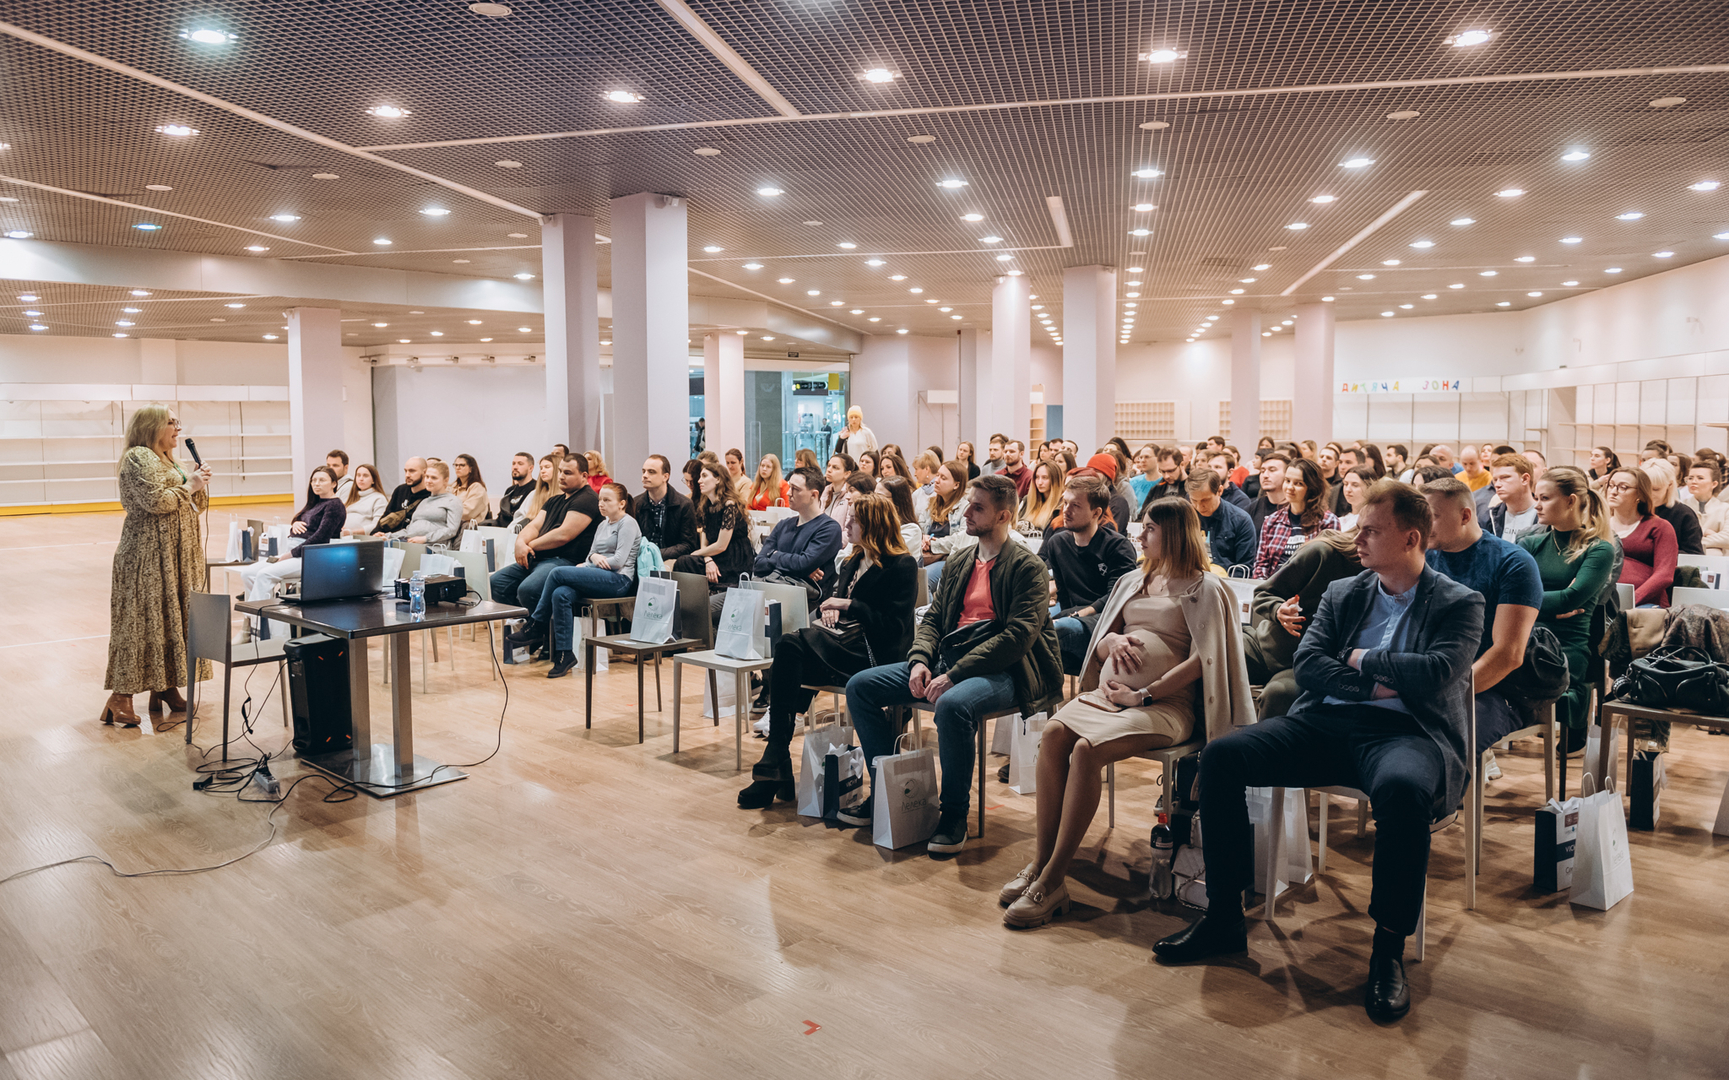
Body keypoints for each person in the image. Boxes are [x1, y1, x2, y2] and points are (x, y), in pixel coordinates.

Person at [1156, 480, 1484, 1024]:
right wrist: (1375, 682)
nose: (1357, 538)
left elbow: (1436, 675)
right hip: (1328, 722)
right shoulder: (1345, 592)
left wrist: (1355, 657)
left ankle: (1387, 948)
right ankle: (1224, 918)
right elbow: (1308, 664)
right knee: (1222, 756)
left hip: (1408, 734)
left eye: (1371, 530)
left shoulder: (1459, 602)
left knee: (1403, 791)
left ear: (1410, 538)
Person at [1001, 497, 1255, 928]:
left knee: (1086, 750)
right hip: (1111, 697)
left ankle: (1054, 880)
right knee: (1054, 735)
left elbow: (1203, 660)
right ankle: (1042, 860)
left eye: (1151, 528)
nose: (1141, 535)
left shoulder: (1206, 587)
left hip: (1165, 707)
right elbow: (1103, 639)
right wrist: (1111, 645)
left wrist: (1145, 695)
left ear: (1174, 533)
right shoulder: (1135, 580)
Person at [844, 475, 1063, 854]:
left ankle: (954, 814)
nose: (966, 511)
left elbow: (1016, 639)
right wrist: (918, 661)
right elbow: (932, 619)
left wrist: (953, 675)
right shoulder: (962, 558)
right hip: (950, 659)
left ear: (1003, 515)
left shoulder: (1026, 566)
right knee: (861, 686)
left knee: (953, 704)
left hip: (1005, 669)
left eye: (977, 507)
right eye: (968, 504)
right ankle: (887, 791)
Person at [739, 495, 917, 808]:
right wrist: (833, 611)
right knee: (788, 649)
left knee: (789, 645)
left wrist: (850, 606)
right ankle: (776, 755)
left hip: (873, 654)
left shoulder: (901, 565)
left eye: (854, 520)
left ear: (873, 525)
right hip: (841, 644)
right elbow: (836, 604)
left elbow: (894, 629)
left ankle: (775, 761)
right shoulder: (850, 561)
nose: (845, 524)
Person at [102, 404, 213, 727]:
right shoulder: (139, 457)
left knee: (171, 619)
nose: (177, 428)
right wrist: (189, 486)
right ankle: (120, 697)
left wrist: (198, 483)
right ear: (152, 427)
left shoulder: (170, 460)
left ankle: (165, 686)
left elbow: (193, 505)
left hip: (178, 557)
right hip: (147, 556)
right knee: (139, 622)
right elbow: (156, 502)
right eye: (171, 422)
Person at [1422, 478, 1543, 771]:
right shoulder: (1423, 556)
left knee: (1435, 742)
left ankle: (1432, 809)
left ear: (1465, 515)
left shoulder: (1513, 562)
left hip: (1499, 687)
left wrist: (1441, 693)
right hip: (1433, 677)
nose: (1423, 525)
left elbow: (1507, 655)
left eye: (1432, 516)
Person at [1518, 469, 1616, 744]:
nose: (1537, 504)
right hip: (1524, 632)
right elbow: (1509, 592)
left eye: (1545, 498)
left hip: (1567, 641)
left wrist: (1530, 600)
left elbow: (1570, 599)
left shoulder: (1598, 549)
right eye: (1537, 497)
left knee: (1541, 677)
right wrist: (1551, 600)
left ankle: (1572, 728)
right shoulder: (1529, 542)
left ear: (1571, 500)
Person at [507, 481, 642, 678]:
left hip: (618, 580)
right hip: (600, 574)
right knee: (560, 594)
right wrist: (594, 559)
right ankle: (564, 655)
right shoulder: (603, 524)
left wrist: (593, 562)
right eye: (600, 500)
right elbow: (591, 554)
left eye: (607, 500)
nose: (601, 504)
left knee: (558, 573)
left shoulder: (627, 523)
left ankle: (537, 624)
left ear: (621, 504)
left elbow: (619, 561)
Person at [1244, 526, 1363, 720]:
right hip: (1264, 646)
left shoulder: (1383, 577)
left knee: (1280, 694)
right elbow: (1263, 594)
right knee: (1209, 657)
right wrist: (1278, 610)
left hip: (1306, 666)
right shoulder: (1321, 553)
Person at [1042, 476, 1139, 675]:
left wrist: (1082, 613)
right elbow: (1064, 593)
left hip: (1105, 619)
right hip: (1072, 614)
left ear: (1096, 513)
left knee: (1056, 629)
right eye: (1065, 502)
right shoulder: (1057, 543)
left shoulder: (1117, 546)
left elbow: (1117, 597)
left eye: (1075, 505)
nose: (1066, 510)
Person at [491, 455, 599, 619]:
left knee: (528, 589)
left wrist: (530, 545)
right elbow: (534, 525)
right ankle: (531, 625)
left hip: (564, 561)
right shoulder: (554, 500)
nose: (561, 476)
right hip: (540, 559)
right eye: (560, 471)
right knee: (498, 582)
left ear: (584, 476)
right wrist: (520, 542)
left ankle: (541, 631)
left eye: (568, 473)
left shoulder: (587, 499)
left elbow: (564, 535)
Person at [240, 465, 347, 619]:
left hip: (311, 557)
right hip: (295, 552)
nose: (316, 483)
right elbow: (302, 520)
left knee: (264, 575)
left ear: (334, 484)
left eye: (322, 480)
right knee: (248, 573)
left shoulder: (334, 506)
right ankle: (254, 621)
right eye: (314, 480)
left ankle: (255, 621)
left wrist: (289, 554)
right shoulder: (315, 502)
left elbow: (320, 538)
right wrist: (295, 522)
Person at [675, 459, 758, 617]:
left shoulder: (730, 505)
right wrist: (707, 559)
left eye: (704, 476)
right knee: (683, 563)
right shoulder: (706, 506)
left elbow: (721, 545)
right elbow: (705, 544)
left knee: (686, 560)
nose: (699, 481)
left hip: (733, 558)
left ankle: (692, 609)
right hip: (715, 556)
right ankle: (687, 607)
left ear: (718, 479)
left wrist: (696, 555)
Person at [753, 465, 844, 601]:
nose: (789, 493)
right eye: (790, 487)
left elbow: (803, 565)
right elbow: (758, 564)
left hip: (802, 601)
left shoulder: (829, 528)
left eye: (795, 489)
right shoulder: (784, 524)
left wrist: (773, 555)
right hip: (768, 591)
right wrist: (797, 566)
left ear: (814, 495)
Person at [1252, 456, 1339, 579]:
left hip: (1309, 591)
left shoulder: (1327, 522)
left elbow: (1328, 568)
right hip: (1273, 589)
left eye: (1298, 483)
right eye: (1287, 481)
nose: (1290, 488)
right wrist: (1265, 590)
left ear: (1312, 488)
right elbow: (1261, 565)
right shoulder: (1272, 521)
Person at [1606, 467, 1678, 607]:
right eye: (1611, 485)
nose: (1613, 491)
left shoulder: (1660, 527)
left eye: (1623, 487)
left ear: (1639, 494)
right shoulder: (1596, 525)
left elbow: (1664, 575)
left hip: (1645, 603)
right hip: (1600, 599)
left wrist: (1631, 600)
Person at [631, 454, 700, 563]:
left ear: (665, 476)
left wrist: (655, 554)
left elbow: (688, 545)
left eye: (651, 472)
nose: (645, 475)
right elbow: (632, 541)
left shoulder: (684, 504)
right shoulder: (636, 504)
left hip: (672, 562)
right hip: (642, 562)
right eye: (643, 471)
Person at [375, 460, 463, 545]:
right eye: (427, 477)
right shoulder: (424, 501)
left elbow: (451, 530)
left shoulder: (453, 501)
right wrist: (388, 535)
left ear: (445, 480)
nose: (428, 481)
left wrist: (425, 538)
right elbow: (409, 530)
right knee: (381, 547)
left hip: (434, 547)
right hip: (411, 543)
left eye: (434, 478)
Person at [1187, 466, 1257, 570]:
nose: (1199, 506)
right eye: (1194, 500)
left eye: (1205, 500)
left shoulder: (1241, 519)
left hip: (1227, 581)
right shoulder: (1185, 518)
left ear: (1220, 491)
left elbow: (1244, 567)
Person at [921, 460, 972, 591]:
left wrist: (934, 545)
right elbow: (920, 529)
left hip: (949, 561)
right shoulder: (931, 504)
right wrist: (923, 538)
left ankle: (929, 611)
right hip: (927, 556)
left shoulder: (965, 508)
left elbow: (961, 539)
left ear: (956, 485)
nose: (936, 481)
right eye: (937, 475)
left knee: (922, 580)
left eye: (943, 478)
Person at [1643, 458, 1703, 556]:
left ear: (1670, 485)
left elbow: (1694, 554)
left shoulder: (1684, 515)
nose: (1649, 494)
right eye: (1645, 488)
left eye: (1656, 489)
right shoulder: (1633, 510)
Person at [1483, 453, 1542, 544]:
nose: (1497, 485)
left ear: (1525, 479)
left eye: (1505, 477)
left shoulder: (1546, 518)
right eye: (1495, 480)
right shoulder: (1488, 517)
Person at [1682, 459, 1729, 555]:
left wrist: (1695, 542)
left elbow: (1727, 538)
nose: (1693, 482)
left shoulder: (1725, 508)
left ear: (1714, 484)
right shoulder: (1681, 507)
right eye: (1690, 478)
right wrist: (1713, 536)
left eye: (1700, 478)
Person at [378, 456, 429, 531]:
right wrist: (376, 533)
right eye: (406, 471)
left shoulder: (430, 495)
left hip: (411, 539)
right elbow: (386, 516)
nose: (407, 475)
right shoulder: (400, 490)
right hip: (390, 538)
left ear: (424, 472)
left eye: (412, 471)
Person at [879, 475, 926, 556]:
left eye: (880, 496)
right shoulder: (877, 521)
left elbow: (889, 554)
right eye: (874, 495)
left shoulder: (912, 530)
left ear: (897, 501)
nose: (874, 500)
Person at [513, 454, 559, 532]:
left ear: (558, 469)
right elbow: (520, 517)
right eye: (541, 468)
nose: (543, 471)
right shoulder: (534, 494)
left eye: (547, 467)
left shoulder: (564, 495)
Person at [489, 452, 536, 528]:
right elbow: (501, 517)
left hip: (520, 530)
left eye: (520, 464)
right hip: (503, 530)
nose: (515, 467)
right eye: (513, 463)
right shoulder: (510, 491)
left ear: (530, 468)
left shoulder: (536, 488)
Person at [1246, 452, 1290, 532]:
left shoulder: (1296, 509)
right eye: (1262, 471)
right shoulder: (1251, 509)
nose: (1265, 475)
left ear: (1287, 475)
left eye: (1272, 470)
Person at [1018, 459, 1065, 533]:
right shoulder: (1027, 500)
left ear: (1055, 480)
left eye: (1045, 478)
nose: (1039, 482)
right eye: (1037, 477)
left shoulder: (1062, 505)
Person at [341, 463, 388, 536]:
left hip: (365, 540)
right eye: (358, 475)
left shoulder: (379, 499)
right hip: (346, 538)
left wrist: (352, 532)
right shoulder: (351, 497)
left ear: (373, 480)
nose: (361, 479)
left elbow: (377, 526)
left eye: (365, 476)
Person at [1137, 447, 1186, 515]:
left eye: (1170, 471)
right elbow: (1142, 516)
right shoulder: (1157, 488)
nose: (1166, 476)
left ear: (1182, 465)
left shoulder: (1192, 488)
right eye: (1163, 471)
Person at [821, 452, 856, 533]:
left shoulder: (850, 495)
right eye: (829, 466)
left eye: (835, 467)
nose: (829, 470)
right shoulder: (825, 491)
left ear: (847, 474)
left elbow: (848, 531)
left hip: (839, 543)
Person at [453, 453, 489, 523]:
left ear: (471, 469)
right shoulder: (453, 486)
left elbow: (467, 513)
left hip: (469, 528)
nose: (458, 468)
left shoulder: (477, 488)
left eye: (462, 465)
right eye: (456, 465)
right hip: (453, 525)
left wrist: (447, 512)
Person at [1337, 464, 1374, 531]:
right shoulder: (1339, 520)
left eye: (1355, 485)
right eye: (1345, 484)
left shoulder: (1374, 521)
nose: (1348, 489)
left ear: (1369, 487)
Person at [910, 450, 941, 519]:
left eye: (916, 469)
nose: (915, 474)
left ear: (927, 469)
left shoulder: (942, 491)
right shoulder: (916, 494)